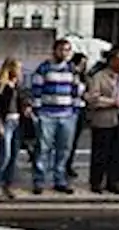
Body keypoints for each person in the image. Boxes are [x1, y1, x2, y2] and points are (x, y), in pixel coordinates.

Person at [29, 39, 81, 194]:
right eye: (61, 50)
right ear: (54, 51)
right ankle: (39, 180)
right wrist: (38, 112)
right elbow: (36, 90)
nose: (64, 53)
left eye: (67, 50)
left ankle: (60, 179)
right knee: (43, 149)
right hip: (47, 114)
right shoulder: (43, 68)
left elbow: (76, 90)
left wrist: (75, 110)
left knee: (64, 149)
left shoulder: (72, 69)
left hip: (67, 115)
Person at [82, 47, 119, 194]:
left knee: (118, 152)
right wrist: (112, 102)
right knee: (101, 152)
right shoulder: (100, 76)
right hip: (104, 118)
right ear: (112, 61)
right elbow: (93, 98)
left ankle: (113, 181)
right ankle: (96, 181)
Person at [0, 57, 26, 201]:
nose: (19, 71)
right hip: (6, 121)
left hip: (17, 120)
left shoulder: (18, 85)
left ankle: (8, 184)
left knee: (14, 156)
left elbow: (21, 101)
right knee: (5, 155)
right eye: (17, 68)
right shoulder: (2, 85)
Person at [65, 52, 90, 181]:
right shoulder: (69, 75)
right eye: (80, 64)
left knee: (74, 140)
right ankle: (63, 164)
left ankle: (69, 164)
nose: (82, 67)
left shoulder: (83, 77)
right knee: (66, 139)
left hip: (81, 108)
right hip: (70, 109)